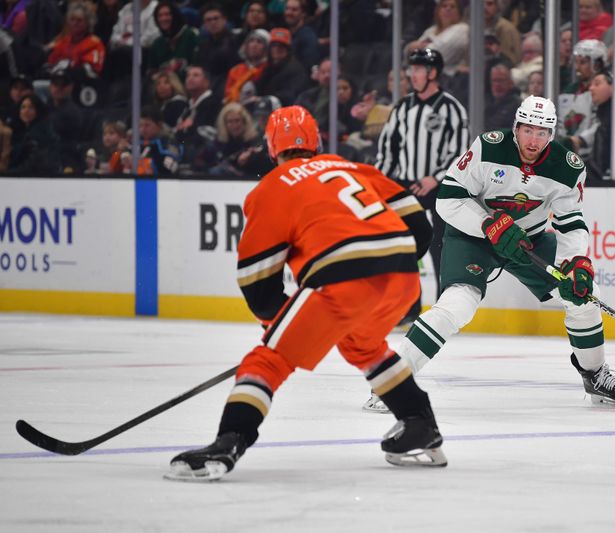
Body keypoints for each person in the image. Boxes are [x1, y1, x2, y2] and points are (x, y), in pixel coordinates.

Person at [164, 106, 445, 481]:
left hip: (342, 278)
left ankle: (229, 441)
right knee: (363, 346)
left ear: (270, 148)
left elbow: (257, 283)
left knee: (267, 360)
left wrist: (289, 333)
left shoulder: (271, 188)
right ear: (317, 142)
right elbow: (418, 227)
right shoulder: (352, 168)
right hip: (402, 276)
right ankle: (419, 425)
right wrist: (391, 264)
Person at [363, 96, 615, 413]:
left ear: (551, 134)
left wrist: (575, 262)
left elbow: (571, 223)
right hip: (472, 236)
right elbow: (449, 199)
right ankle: (393, 382)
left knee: (584, 294)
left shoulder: (567, 168)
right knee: (457, 305)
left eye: (542, 133)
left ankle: (595, 375)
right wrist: (487, 224)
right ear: (516, 127)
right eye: (528, 131)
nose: (533, 141)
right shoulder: (488, 147)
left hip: (527, 241)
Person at [374, 48, 469, 326]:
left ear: (433, 73)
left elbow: (461, 152)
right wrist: (380, 182)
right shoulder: (403, 107)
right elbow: (387, 149)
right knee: (405, 249)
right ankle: (408, 308)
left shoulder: (451, 108)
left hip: (440, 188)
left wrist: (435, 177)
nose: (412, 74)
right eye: (411, 69)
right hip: (405, 187)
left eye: (418, 69)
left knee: (441, 247)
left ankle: (443, 311)